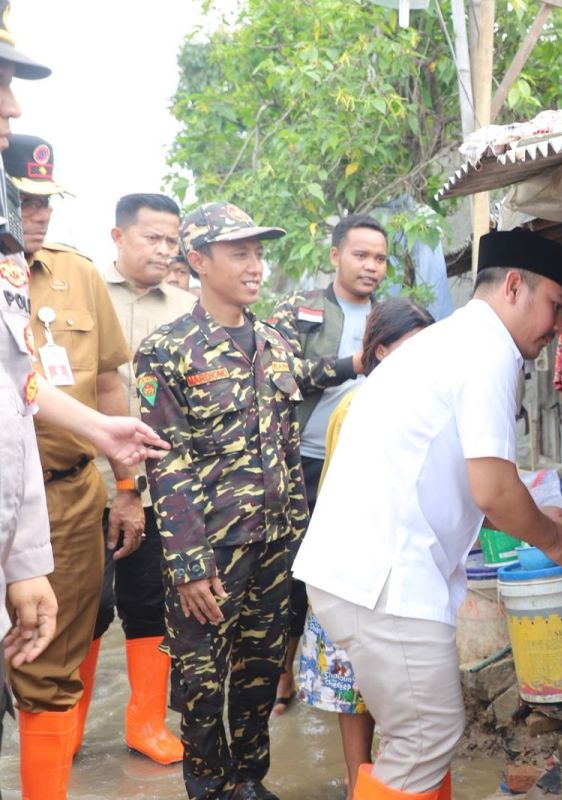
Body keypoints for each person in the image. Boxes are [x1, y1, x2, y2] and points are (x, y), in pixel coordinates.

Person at [295, 228, 562, 799]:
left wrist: (542, 513)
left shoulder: (453, 341)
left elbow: (451, 477)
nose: (559, 325)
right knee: (427, 736)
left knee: (417, 738)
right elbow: (494, 491)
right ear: (514, 286)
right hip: (385, 578)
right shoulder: (488, 351)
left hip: (366, 574)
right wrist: (560, 543)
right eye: (556, 305)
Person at [136, 202, 357, 800]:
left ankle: (249, 782)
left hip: (275, 544)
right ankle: (207, 787)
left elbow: (305, 385)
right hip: (209, 552)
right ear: (199, 261)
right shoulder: (168, 351)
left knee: (260, 675)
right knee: (203, 684)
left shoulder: (275, 343)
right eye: (240, 253)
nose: (256, 265)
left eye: (259, 252)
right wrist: (187, 567)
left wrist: (362, 360)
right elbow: (167, 462)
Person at [4, 132, 153, 798]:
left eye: (46, 202)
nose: (38, 216)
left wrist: (126, 485)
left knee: (52, 661)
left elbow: (100, 385)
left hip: (63, 499)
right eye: (23, 200)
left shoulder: (76, 273)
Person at [297, 298, 434, 798]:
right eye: (411, 349)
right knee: (358, 693)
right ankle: (362, 785)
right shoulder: (362, 406)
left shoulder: (417, 405)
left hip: (384, 570)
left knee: (388, 696)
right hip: (358, 570)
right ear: (380, 350)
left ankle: (375, 784)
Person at [82, 193, 197, 765]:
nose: (163, 249)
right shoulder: (84, 292)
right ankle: (64, 721)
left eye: (171, 240)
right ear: (118, 237)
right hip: (86, 483)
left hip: (160, 487)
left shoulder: (187, 306)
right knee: (83, 607)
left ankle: (145, 724)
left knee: (149, 603)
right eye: (152, 237)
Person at [267, 213, 387, 716]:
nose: (371, 267)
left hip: (370, 465)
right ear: (336, 255)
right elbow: (279, 372)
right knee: (296, 570)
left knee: (360, 572)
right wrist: (351, 365)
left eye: (380, 258)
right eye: (361, 255)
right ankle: (282, 674)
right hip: (307, 461)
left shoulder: (393, 315)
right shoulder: (301, 309)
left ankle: (359, 679)